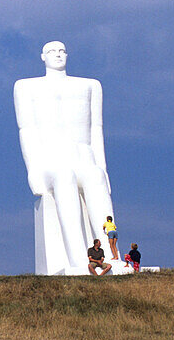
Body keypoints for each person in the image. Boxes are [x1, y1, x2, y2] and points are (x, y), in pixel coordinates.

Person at [13, 41, 117, 274]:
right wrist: (33, 170)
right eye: (52, 51)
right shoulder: (26, 87)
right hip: (52, 160)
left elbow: (96, 130)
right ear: (43, 57)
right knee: (64, 177)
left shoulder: (90, 85)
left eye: (62, 51)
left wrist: (103, 168)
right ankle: (77, 258)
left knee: (95, 176)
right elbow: (26, 130)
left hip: (84, 157)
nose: (58, 55)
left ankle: (110, 255)